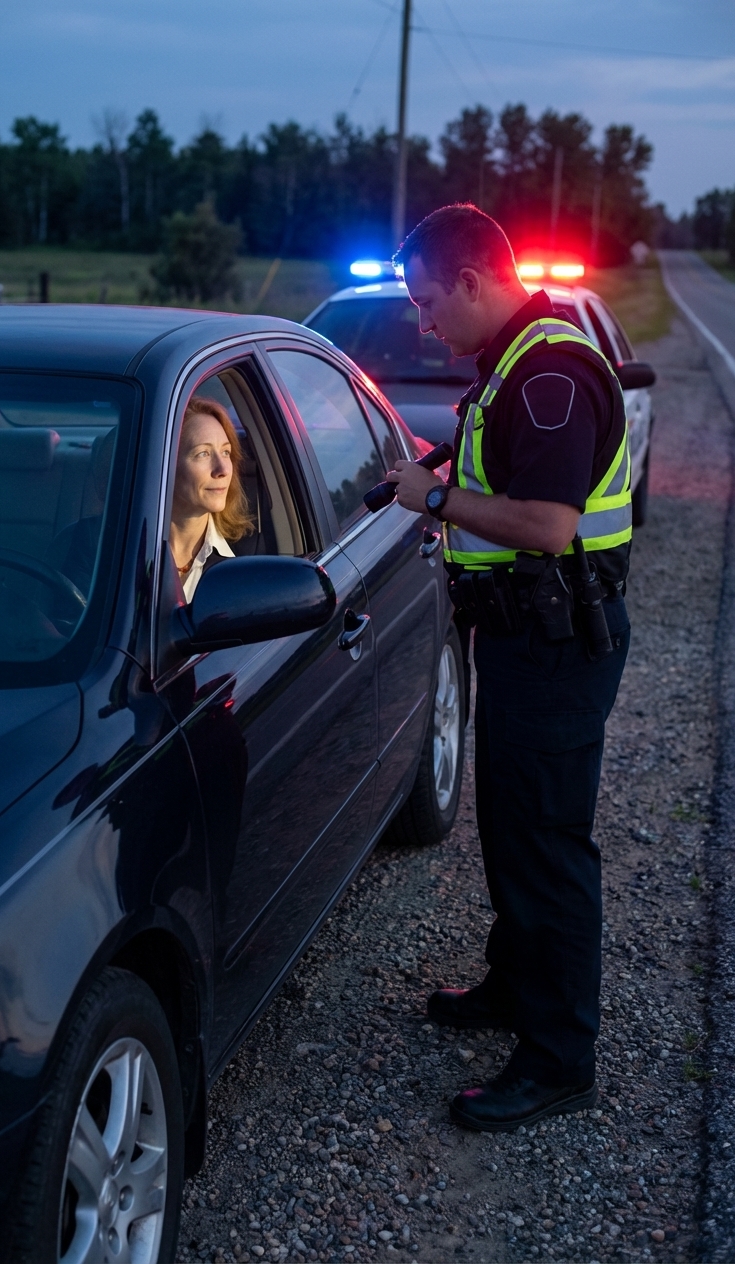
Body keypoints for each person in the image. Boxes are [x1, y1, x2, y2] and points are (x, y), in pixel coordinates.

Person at [386, 204, 632, 1131]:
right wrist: (440, 466)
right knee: (508, 824)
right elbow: (514, 474)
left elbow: (546, 523)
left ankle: (557, 1056)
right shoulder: (514, 363)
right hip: (528, 641)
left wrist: (440, 497)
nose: (421, 323)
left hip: (560, 645)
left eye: (424, 303)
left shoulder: (549, 375)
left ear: (473, 283)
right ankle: (511, 982)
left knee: (546, 844)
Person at [170, 396, 253, 601]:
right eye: (203, 454)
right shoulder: (101, 548)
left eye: (226, 452)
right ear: (167, 464)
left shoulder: (246, 557)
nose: (223, 470)